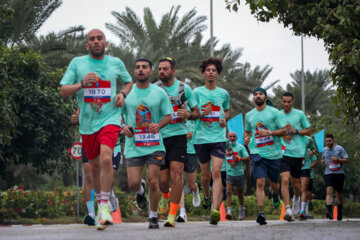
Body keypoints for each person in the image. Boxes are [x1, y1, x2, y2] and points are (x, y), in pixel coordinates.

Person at [60, 29, 133, 230]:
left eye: (99, 38)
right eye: (92, 39)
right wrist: (82, 84)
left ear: (106, 43)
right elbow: (63, 90)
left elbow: (128, 82)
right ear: (87, 45)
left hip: (110, 118)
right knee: (93, 167)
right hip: (87, 123)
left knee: (106, 158)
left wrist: (122, 95)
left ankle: (103, 206)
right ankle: (102, 203)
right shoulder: (78, 63)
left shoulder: (115, 63)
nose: (96, 41)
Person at [122, 58, 172, 229]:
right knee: (133, 184)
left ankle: (153, 215)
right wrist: (123, 126)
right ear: (134, 72)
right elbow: (118, 114)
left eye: (144, 67)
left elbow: (169, 115)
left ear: (151, 72)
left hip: (154, 145)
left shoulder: (159, 93)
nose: (140, 70)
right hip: (133, 145)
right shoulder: (127, 93)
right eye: (137, 67)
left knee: (154, 180)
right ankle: (140, 189)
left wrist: (158, 125)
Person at [156, 57, 200, 227]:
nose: (161, 72)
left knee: (176, 172)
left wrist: (187, 115)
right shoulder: (154, 89)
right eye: (159, 69)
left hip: (178, 135)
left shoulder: (184, 89)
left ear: (173, 71)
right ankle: (165, 196)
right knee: (163, 179)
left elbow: (197, 113)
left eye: (165, 69)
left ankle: (173, 215)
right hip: (160, 137)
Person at [193, 57, 230, 225]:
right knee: (205, 176)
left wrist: (225, 120)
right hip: (201, 138)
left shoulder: (223, 94)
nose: (211, 73)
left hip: (218, 138)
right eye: (208, 70)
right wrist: (202, 111)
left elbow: (227, 110)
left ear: (217, 74)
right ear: (203, 73)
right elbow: (191, 113)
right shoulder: (196, 93)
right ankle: (206, 195)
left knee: (217, 173)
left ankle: (215, 211)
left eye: (214, 70)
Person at [71, 109, 122, 226]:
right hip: (88, 138)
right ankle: (91, 213)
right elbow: (80, 114)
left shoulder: (113, 98)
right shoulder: (85, 94)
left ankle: (108, 197)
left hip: (109, 140)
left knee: (109, 176)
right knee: (89, 175)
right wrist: (75, 118)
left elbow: (121, 121)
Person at [244, 87, 286, 225]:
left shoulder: (274, 113)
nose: (258, 96)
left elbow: (284, 131)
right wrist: (246, 139)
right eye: (255, 94)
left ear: (265, 98)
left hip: (274, 153)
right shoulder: (249, 115)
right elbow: (248, 133)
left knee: (274, 184)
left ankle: (275, 194)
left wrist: (269, 133)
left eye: (260, 94)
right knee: (260, 181)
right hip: (257, 152)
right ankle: (261, 213)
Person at [280, 92, 311, 221]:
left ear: (292, 102)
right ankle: (288, 209)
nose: (286, 104)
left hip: (297, 152)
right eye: (284, 101)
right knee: (285, 179)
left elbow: (308, 130)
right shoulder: (277, 115)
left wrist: (296, 131)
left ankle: (296, 199)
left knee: (295, 183)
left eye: (289, 102)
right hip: (282, 152)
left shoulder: (299, 114)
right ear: (281, 102)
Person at [176, 119, 201, 223]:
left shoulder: (194, 117)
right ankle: (182, 212)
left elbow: (194, 133)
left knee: (191, 184)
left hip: (191, 152)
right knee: (179, 182)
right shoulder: (176, 117)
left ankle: (196, 191)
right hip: (178, 150)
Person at [321, 134, 349, 221]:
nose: (328, 143)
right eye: (326, 141)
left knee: (338, 193)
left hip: (339, 173)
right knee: (329, 190)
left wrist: (338, 159)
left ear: (333, 141)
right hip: (328, 173)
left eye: (329, 141)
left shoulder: (339, 148)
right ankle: (329, 212)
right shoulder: (324, 150)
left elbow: (347, 160)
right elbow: (323, 159)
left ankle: (339, 214)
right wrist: (322, 161)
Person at [225, 132, 250, 220]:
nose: (232, 138)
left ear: (236, 138)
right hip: (229, 173)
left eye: (233, 137)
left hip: (239, 173)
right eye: (230, 136)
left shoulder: (240, 147)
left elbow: (247, 158)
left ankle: (241, 208)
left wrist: (239, 158)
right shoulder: (224, 146)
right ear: (227, 137)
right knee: (228, 191)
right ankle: (229, 211)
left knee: (240, 193)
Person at [298, 136, 318, 219]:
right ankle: (299, 207)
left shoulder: (309, 150)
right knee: (299, 190)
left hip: (307, 170)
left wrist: (309, 166)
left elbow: (315, 161)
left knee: (305, 190)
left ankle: (303, 210)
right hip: (297, 168)